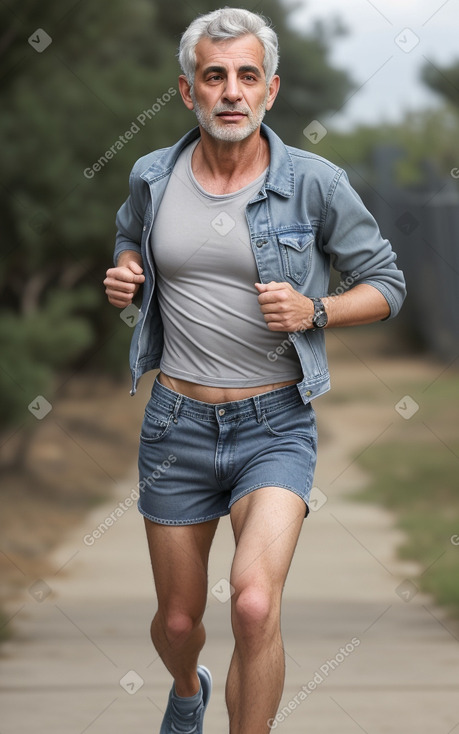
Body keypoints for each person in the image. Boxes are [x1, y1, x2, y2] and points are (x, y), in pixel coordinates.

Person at [104, 7, 406, 733]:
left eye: (247, 76)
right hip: (176, 426)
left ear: (271, 89)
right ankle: (186, 689)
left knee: (252, 602)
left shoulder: (316, 184)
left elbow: (386, 283)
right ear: (187, 91)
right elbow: (127, 236)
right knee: (177, 622)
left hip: (273, 425)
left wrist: (316, 311)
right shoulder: (153, 175)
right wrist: (124, 269)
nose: (231, 91)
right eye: (215, 77)